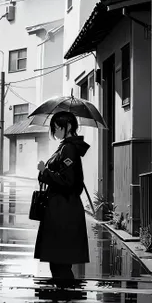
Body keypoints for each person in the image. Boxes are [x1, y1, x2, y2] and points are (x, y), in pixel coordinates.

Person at [33, 111, 90, 281]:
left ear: (69, 126)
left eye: (57, 127)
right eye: (54, 127)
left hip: (63, 210)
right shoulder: (66, 146)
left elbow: (67, 181)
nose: (55, 131)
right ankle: (63, 296)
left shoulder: (69, 149)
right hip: (61, 208)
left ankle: (65, 297)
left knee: (60, 264)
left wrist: (45, 171)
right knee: (59, 262)